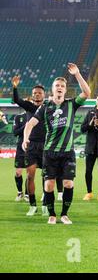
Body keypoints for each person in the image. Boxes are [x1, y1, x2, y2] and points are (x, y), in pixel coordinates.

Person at [23, 63, 91, 224]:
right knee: (49, 185)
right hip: (50, 152)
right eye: (57, 86)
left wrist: (77, 74)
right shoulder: (45, 107)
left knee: (68, 183)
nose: (59, 87)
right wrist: (26, 138)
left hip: (67, 152)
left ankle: (65, 214)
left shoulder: (71, 104)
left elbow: (87, 92)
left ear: (65, 90)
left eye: (62, 86)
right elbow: (29, 124)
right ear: (52, 90)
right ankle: (52, 214)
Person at [12, 76, 51, 215]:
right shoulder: (29, 106)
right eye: (34, 93)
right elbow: (17, 100)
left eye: (39, 92)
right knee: (30, 176)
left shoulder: (49, 107)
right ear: (32, 95)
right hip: (31, 145)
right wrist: (15, 87)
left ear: (44, 94)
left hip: (46, 145)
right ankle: (33, 205)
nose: (36, 94)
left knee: (46, 177)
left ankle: (46, 204)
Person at [81, 94, 98, 202]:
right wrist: (90, 123)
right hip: (90, 147)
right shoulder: (90, 112)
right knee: (88, 171)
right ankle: (89, 192)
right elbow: (82, 129)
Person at [13, 112, 27, 201]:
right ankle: (19, 192)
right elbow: (15, 132)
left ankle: (27, 194)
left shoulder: (36, 116)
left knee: (30, 173)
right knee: (18, 173)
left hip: (32, 147)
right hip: (20, 148)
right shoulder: (18, 117)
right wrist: (26, 126)